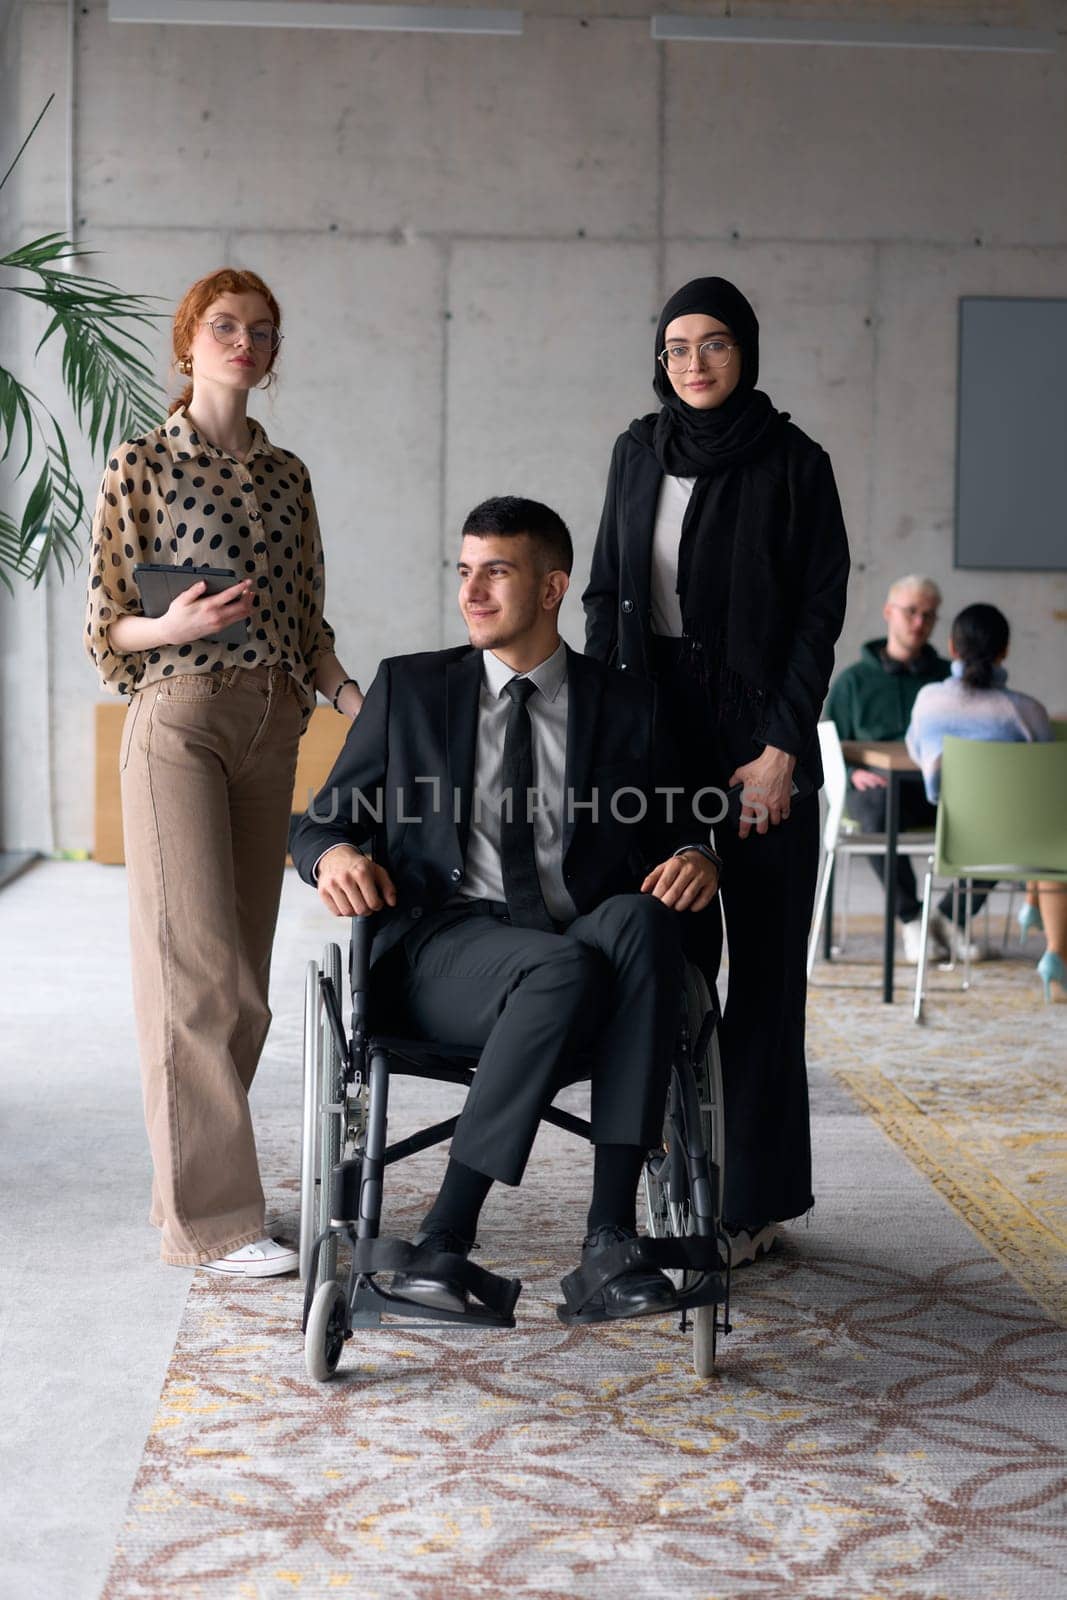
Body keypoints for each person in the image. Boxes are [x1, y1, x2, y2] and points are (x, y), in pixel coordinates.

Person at [291, 496, 721, 1320]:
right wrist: (335, 854)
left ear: (553, 586)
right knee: (563, 966)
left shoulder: (628, 703)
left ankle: (608, 1240)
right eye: (464, 572)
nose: (472, 592)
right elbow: (323, 821)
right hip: (443, 949)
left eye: (497, 572)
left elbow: (686, 814)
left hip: (576, 939)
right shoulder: (411, 689)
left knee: (640, 921)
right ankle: (445, 1236)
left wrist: (697, 855)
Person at [85, 267, 364, 1276]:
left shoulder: (288, 477)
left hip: (272, 727)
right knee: (194, 978)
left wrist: (347, 695)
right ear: (187, 341)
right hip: (180, 719)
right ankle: (213, 1222)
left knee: (244, 989)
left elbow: (309, 619)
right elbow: (105, 619)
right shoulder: (142, 462)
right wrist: (175, 622)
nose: (244, 343)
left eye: (261, 331)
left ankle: (188, 1190)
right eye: (224, 327)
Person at [582, 276, 849, 1265]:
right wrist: (608, 733)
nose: (692, 363)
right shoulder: (633, 453)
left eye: (714, 344)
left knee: (766, 982)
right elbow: (607, 596)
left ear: (746, 352)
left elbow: (816, 617)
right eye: (676, 347)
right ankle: (671, 1172)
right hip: (658, 738)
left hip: (760, 738)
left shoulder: (792, 464)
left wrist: (781, 749)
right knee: (666, 964)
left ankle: (752, 1201)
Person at [906, 602, 1063, 998]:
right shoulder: (1027, 711)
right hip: (1023, 844)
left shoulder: (928, 700)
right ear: (1004, 651)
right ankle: (1056, 952)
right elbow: (1049, 784)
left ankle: (1032, 906)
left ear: (952, 648)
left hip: (956, 836)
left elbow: (915, 750)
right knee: (1054, 837)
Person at [825, 574, 960, 961]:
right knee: (877, 807)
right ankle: (912, 917)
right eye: (912, 611)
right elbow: (827, 745)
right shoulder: (852, 682)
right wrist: (851, 775)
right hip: (877, 790)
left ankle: (951, 918)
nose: (920, 623)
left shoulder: (949, 679)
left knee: (1003, 816)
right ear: (889, 613)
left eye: (930, 616)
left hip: (938, 789)